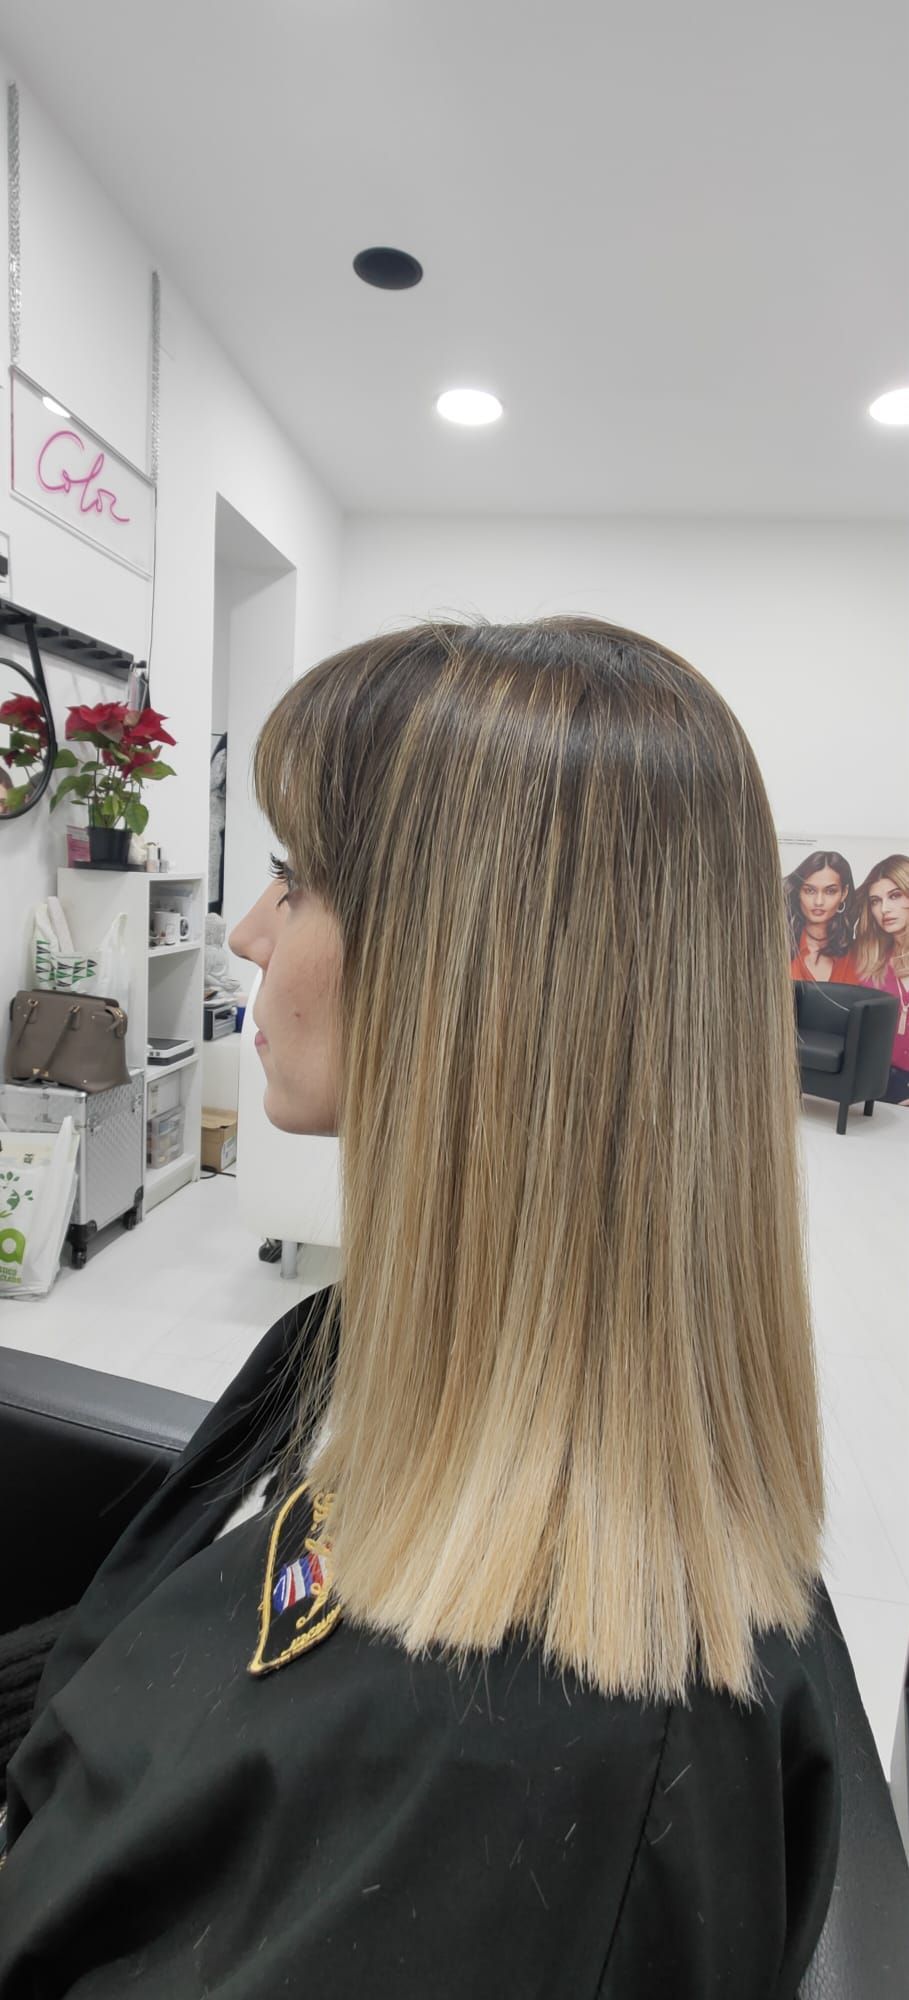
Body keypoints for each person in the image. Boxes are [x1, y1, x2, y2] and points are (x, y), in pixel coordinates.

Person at [0, 618, 840, 1996]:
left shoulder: (542, 1780)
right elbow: (140, 1679)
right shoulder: (347, 1353)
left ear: (474, 974)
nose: (244, 931)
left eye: (295, 880)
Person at [853, 852, 909, 1104]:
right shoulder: (869, 962)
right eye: (875, 901)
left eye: (895, 896)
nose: (884, 909)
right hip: (878, 1086)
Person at [783, 848, 862, 983]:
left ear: (844, 893)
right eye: (810, 890)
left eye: (830, 891)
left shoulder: (859, 955)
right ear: (798, 892)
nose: (818, 902)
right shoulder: (780, 949)